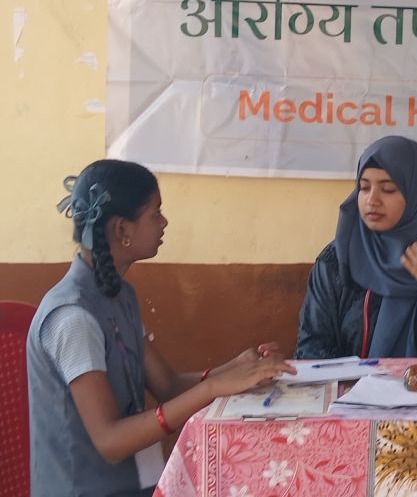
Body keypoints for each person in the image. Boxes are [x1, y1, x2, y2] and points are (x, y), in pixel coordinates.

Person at [27, 160, 293, 497]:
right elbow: (110, 442)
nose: (164, 222)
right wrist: (213, 388)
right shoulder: (73, 317)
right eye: (155, 214)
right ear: (122, 230)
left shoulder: (119, 296)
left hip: (132, 485)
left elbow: (167, 386)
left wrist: (236, 368)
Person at [295, 135, 417, 359]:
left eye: (388, 189)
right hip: (350, 383)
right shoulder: (338, 260)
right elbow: (310, 349)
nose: (372, 200)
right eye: (364, 187)